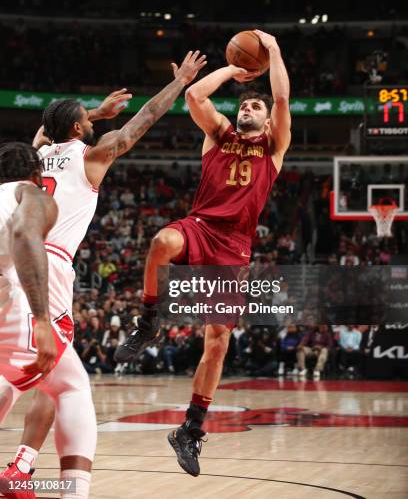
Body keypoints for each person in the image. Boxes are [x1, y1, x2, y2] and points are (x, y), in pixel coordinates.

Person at [0, 50, 206, 497]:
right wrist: (182, 82)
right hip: (45, 265)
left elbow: (45, 128)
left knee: (31, 370)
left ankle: (23, 468)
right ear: (78, 130)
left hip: (7, 255)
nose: (94, 124)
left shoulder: (37, 152)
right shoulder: (92, 156)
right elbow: (146, 118)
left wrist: (90, 111)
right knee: (57, 379)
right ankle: (26, 470)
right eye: (87, 121)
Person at [116, 29, 291, 476]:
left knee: (217, 344)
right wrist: (234, 69)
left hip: (234, 246)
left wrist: (271, 50)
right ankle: (149, 320)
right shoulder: (218, 133)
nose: (249, 107)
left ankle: (190, 430)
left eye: (257, 106)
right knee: (160, 243)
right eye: (245, 103)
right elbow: (194, 94)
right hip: (201, 225)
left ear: (268, 122)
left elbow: (283, 101)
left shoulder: (272, 148)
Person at [0, 142, 96, 499]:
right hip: (26, 287)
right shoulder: (32, 194)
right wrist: (42, 320)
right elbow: (26, 236)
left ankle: (21, 470)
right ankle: (67, 490)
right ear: (38, 175)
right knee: (69, 385)